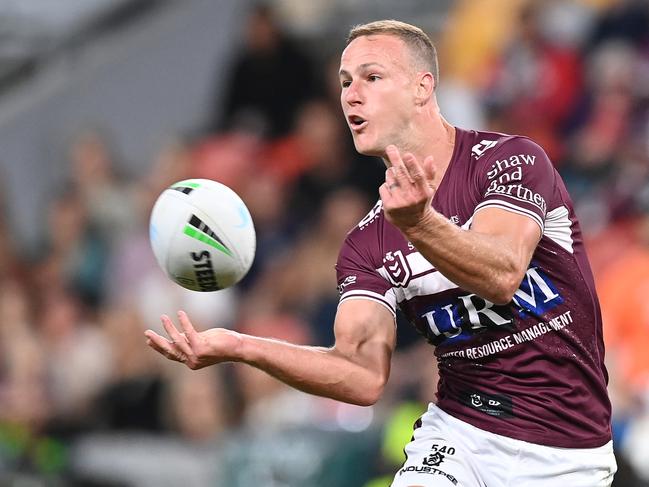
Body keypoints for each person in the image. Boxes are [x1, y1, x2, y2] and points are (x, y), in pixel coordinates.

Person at [145, 20, 617, 486]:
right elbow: (361, 375)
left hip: (567, 452)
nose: (351, 94)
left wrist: (420, 225)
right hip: (460, 435)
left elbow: (503, 273)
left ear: (422, 87)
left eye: (371, 77)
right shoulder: (365, 244)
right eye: (345, 82)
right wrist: (240, 346)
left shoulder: (510, 161)